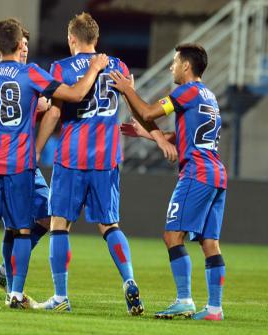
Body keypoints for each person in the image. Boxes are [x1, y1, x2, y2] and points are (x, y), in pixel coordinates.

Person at [0, 18, 109, 308]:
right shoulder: (31, 73)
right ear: (19, 44)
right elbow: (74, 94)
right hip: (18, 163)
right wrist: (95, 68)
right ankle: (14, 293)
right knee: (21, 229)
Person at [34, 13, 174, 314]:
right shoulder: (119, 67)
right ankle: (129, 280)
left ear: (72, 39)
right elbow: (138, 110)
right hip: (107, 157)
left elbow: (55, 113)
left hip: (72, 156)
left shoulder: (61, 67)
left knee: (60, 224)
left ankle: (60, 297)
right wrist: (160, 138)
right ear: (96, 40)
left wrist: (36, 150)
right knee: (110, 225)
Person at [110, 43, 227, 321]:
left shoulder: (185, 91)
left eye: (175, 62)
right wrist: (149, 135)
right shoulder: (208, 96)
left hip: (196, 173)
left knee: (172, 236)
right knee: (210, 243)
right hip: (216, 173)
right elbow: (184, 137)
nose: (171, 67)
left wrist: (127, 89)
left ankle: (184, 299)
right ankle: (214, 309)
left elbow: (149, 112)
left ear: (187, 66)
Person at [0, 23, 53, 304]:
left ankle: (6, 270)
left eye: (27, 46)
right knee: (15, 226)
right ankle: (12, 284)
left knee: (49, 216)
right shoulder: (10, 76)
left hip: (27, 161)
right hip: (11, 160)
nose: (24, 50)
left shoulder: (31, 75)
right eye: (21, 45)